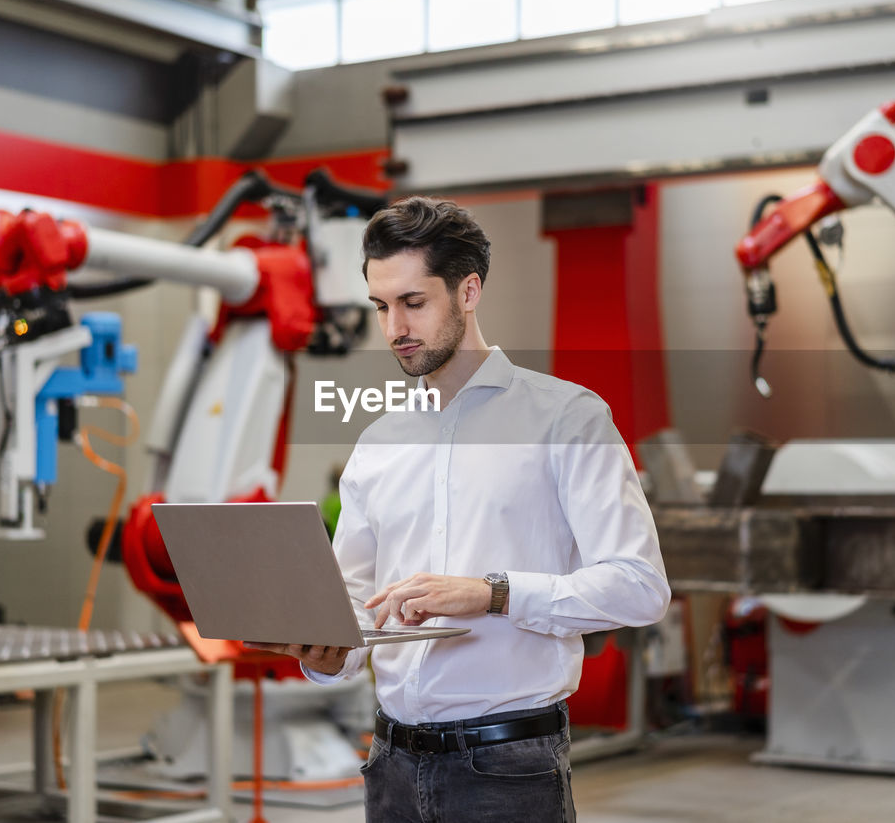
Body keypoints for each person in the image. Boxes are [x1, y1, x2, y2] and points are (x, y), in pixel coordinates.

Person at [252, 196, 671, 822]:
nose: (395, 326)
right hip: (390, 764)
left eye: (413, 302)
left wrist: (492, 593)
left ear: (468, 290)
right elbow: (356, 603)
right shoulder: (378, 444)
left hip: (507, 770)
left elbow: (640, 588)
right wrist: (328, 654)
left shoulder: (566, 418)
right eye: (381, 306)